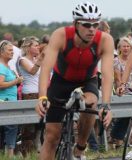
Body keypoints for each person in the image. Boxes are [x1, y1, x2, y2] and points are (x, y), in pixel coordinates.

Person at [34, 2, 114, 159]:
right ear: (75, 24)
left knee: (91, 102)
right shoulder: (61, 35)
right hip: (61, 81)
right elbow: (46, 68)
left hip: (87, 81)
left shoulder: (105, 40)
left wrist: (106, 105)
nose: (91, 29)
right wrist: (42, 97)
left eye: (95, 24)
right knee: (52, 138)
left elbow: (107, 74)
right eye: (86, 24)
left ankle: (80, 148)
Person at [17, 36, 44, 157]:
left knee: (40, 124)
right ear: (28, 48)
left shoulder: (36, 59)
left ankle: (36, 149)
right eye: (36, 45)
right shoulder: (22, 60)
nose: (38, 47)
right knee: (28, 127)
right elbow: (32, 71)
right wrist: (40, 60)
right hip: (29, 94)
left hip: (40, 94)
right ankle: (27, 153)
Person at [0, 40, 23, 158]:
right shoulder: (1, 67)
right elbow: (0, 84)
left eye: (13, 51)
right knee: (11, 127)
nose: (12, 53)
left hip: (10, 101)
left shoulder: (7, 67)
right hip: (5, 102)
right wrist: (16, 81)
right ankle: (9, 154)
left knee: (10, 128)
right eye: (9, 50)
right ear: (2, 53)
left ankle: (7, 154)